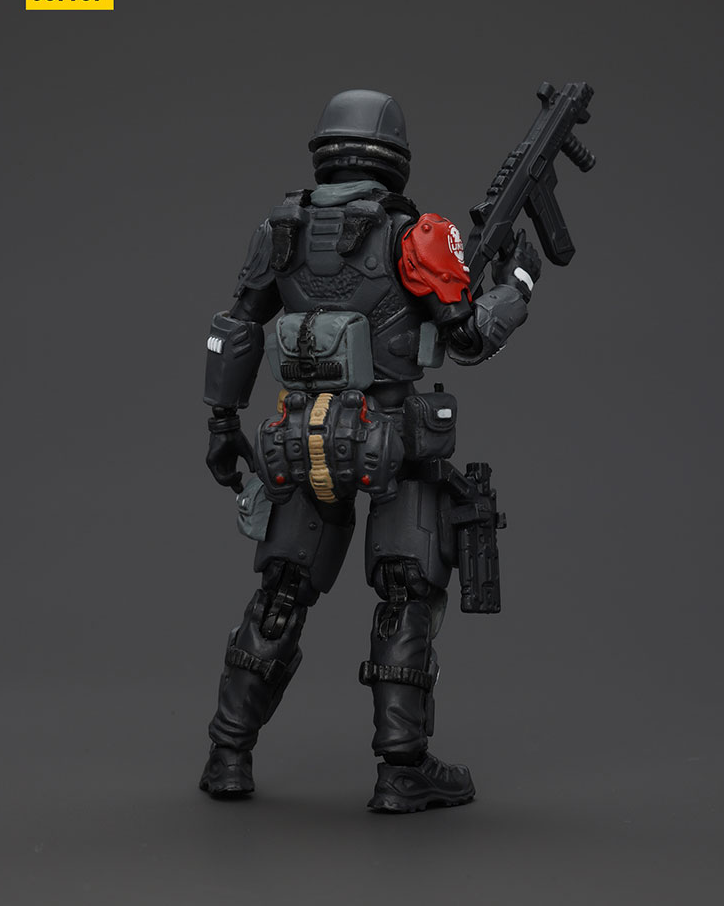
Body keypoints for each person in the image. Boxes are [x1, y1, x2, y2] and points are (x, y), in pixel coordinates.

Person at [199, 89, 541, 812]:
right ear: (393, 155)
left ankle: (228, 754)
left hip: (302, 437)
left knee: (282, 591)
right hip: (393, 441)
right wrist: (518, 284)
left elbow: (236, 327)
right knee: (407, 592)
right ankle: (401, 769)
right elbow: (468, 338)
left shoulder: (281, 228)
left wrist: (223, 424)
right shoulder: (414, 234)